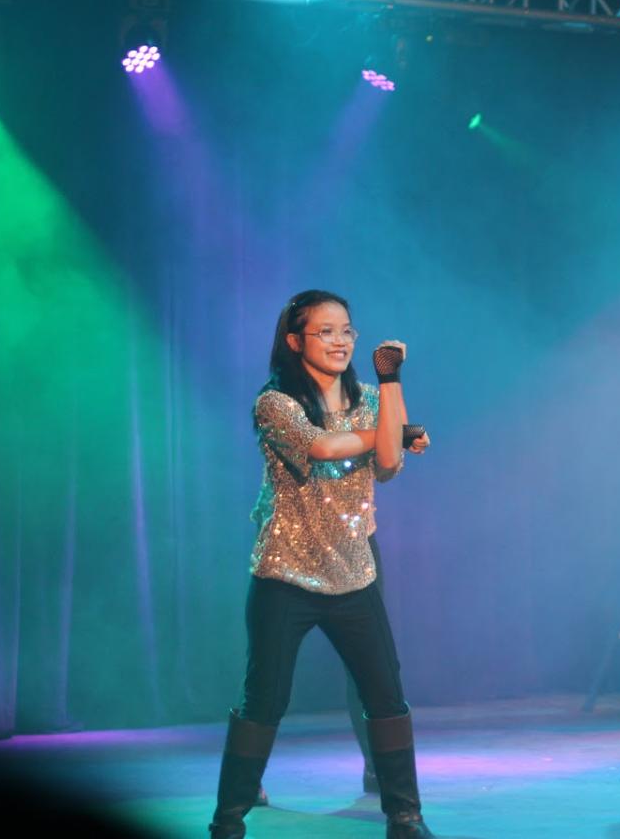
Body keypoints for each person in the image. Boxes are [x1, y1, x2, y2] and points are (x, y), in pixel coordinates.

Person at [209, 290, 435, 839]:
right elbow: (324, 448)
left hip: (354, 569)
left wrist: (390, 386)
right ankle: (228, 819)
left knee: (385, 692)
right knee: (263, 698)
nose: (340, 341)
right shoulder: (275, 403)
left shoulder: (367, 396)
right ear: (294, 341)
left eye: (347, 331)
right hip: (286, 574)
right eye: (325, 331)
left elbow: (387, 464)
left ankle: (405, 816)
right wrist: (395, 432)